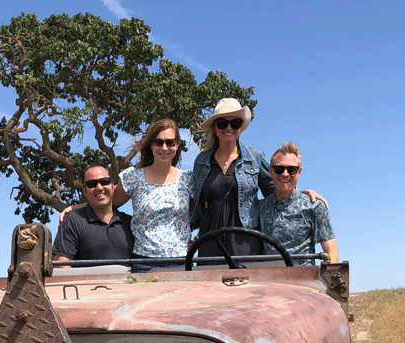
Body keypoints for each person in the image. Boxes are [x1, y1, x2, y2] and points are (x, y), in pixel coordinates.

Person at [191, 98, 325, 260]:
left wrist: (302, 194)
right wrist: (185, 233)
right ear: (214, 127)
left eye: (235, 123)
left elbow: (277, 190)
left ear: (240, 127)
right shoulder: (201, 161)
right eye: (222, 123)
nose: (229, 128)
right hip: (209, 240)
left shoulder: (255, 157)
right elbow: (194, 202)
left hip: (245, 241)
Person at [60, 119, 194, 260]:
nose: (164, 147)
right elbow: (109, 203)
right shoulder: (133, 177)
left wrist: (189, 239)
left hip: (180, 260)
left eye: (170, 142)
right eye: (159, 142)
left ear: (177, 145)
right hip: (143, 261)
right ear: (151, 145)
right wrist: (74, 208)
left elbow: (200, 215)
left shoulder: (188, 180)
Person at [258, 141, 339, 265]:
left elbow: (331, 252)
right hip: (269, 280)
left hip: (303, 281)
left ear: (299, 172)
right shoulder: (258, 209)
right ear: (270, 171)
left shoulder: (314, 207)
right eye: (279, 169)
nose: (285, 174)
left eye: (291, 169)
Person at [52, 164, 133, 263]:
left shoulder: (130, 223)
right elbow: (62, 264)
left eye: (104, 182)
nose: (99, 188)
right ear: (85, 191)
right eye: (92, 184)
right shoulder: (72, 221)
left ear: (113, 186)